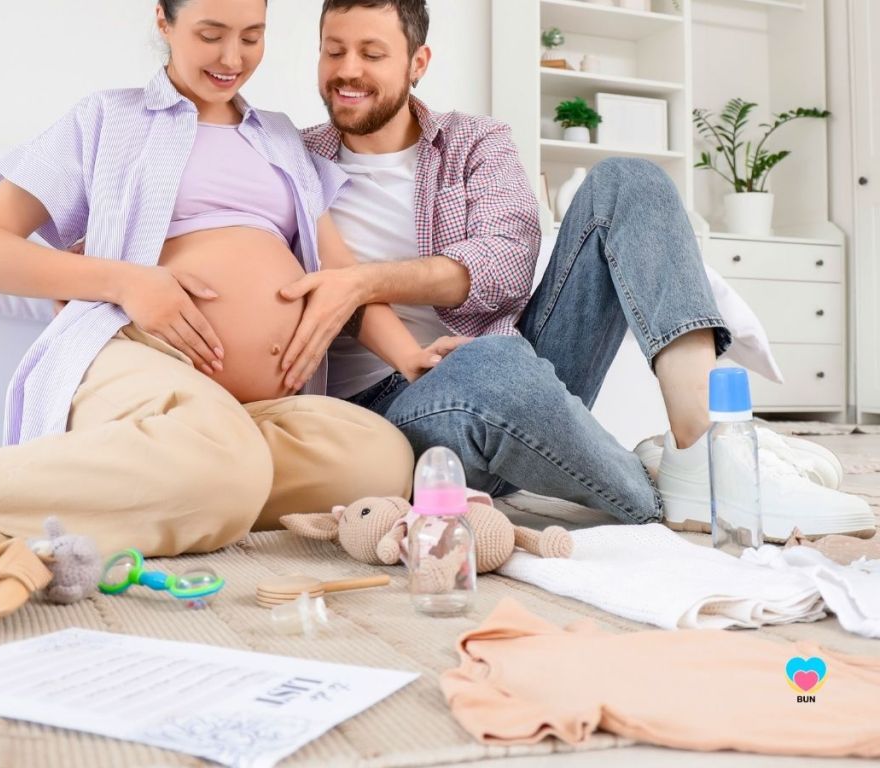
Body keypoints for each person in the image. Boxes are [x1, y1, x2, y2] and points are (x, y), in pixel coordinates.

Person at [281, 0, 875, 541]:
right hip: (394, 409)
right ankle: (666, 492)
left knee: (630, 181)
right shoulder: (294, 159)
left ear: (418, 62)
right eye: (333, 51)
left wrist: (364, 279)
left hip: (517, 366)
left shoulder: (474, 142)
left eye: (371, 53)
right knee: (490, 364)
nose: (347, 71)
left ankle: (700, 448)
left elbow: (506, 268)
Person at [0, 0, 428, 557]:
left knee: (379, 459)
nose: (232, 56)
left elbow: (342, 276)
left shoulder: (280, 137)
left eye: (252, 36)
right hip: (137, 352)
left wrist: (409, 357)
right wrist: (127, 282)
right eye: (210, 34)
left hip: (253, 410)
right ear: (164, 21)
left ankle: (180, 481)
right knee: (223, 465)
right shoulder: (108, 118)